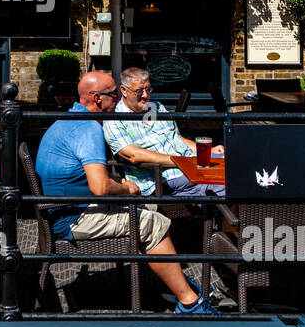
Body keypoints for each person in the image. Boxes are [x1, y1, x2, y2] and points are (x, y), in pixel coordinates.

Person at [35, 70, 219, 314]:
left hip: (62, 209)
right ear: (97, 98)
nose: (117, 99)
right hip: (73, 218)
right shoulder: (88, 129)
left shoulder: (66, 122)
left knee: (148, 208)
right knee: (152, 222)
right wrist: (125, 187)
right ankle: (190, 303)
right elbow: (99, 187)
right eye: (113, 94)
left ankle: (175, 283)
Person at [102, 67, 226, 197]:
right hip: (165, 178)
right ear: (124, 90)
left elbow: (176, 138)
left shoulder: (156, 107)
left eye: (148, 89)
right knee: (230, 179)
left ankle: (227, 215)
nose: (145, 96)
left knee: (233, 161)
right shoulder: (115, 119)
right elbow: (133, 155)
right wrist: (182, 161)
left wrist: (205, 151)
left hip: (189, 164)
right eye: (139, 91)